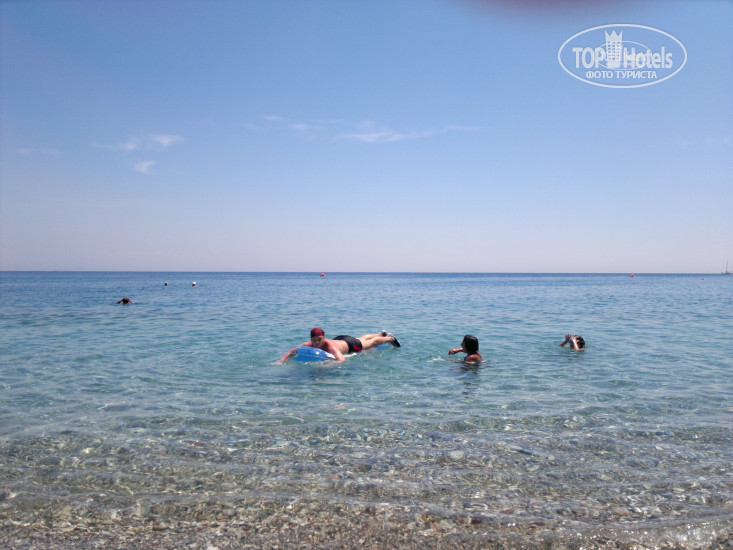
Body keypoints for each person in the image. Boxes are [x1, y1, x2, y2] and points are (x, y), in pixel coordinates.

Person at [280, 327, 400, 363]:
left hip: (350, 345)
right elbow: (293, 351)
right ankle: (380, 334)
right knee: (362, 338)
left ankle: (389, 338)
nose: (316, 342)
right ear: (311, 339)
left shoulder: (330, 347)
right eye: (314, 340)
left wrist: (328, 365)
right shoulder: (309, 344)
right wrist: (282, 361)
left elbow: (341, 360)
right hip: (340, 339)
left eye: (319, 339)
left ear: (324, 338)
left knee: (369, 343)